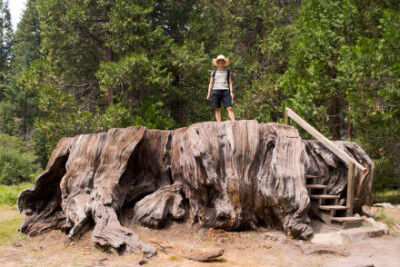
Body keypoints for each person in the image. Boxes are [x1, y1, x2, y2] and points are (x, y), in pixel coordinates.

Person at [207, 55, 236, 122]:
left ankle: (234, 123)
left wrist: (231, 92)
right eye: (219, 60)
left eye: (222, 60)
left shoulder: (228, 71)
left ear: (224, 62)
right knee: (217, 108)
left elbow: (230, 82)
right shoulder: (214, 72)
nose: (221, 62)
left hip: (225, 90)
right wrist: (208, 93)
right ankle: (219, 124)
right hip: (216, 91)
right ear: (217, 62)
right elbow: (211, 83)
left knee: (229, 108)